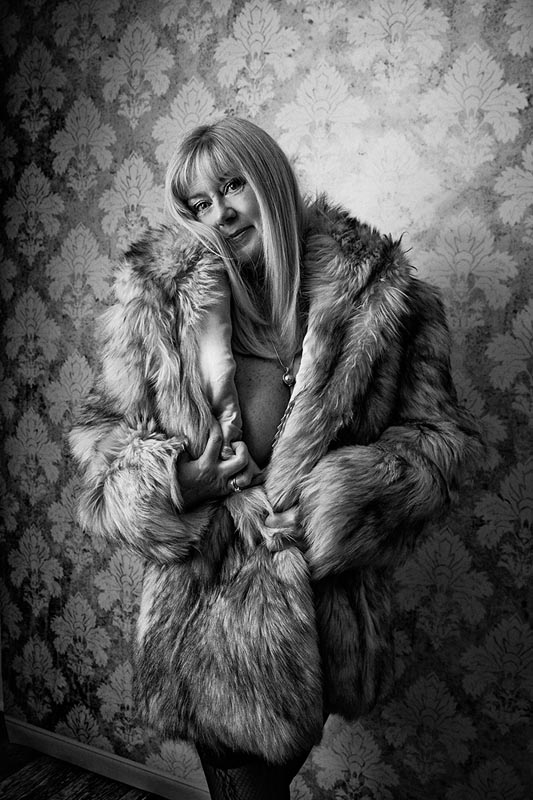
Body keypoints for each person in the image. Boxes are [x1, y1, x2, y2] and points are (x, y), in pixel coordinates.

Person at [70, 117, 480, 799]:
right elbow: (100, 440)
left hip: (324, 620)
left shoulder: (383, 301)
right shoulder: (161, 306)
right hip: (208, 625)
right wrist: (179, 481)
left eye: (232, 186)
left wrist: (331, 503)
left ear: (271, 180)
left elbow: (439, 443)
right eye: (199, 203)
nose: (220, 214)